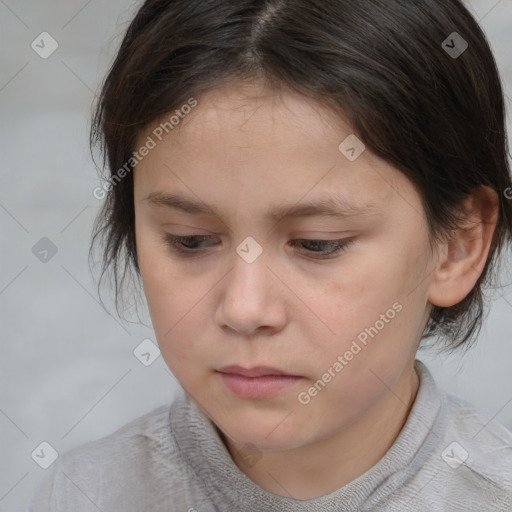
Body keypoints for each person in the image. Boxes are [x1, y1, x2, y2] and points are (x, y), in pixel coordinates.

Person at [30, 0, 512, 510]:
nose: (244, 309)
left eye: (317, 244)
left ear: (458, 244)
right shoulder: (85, 494)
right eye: (190, 239)